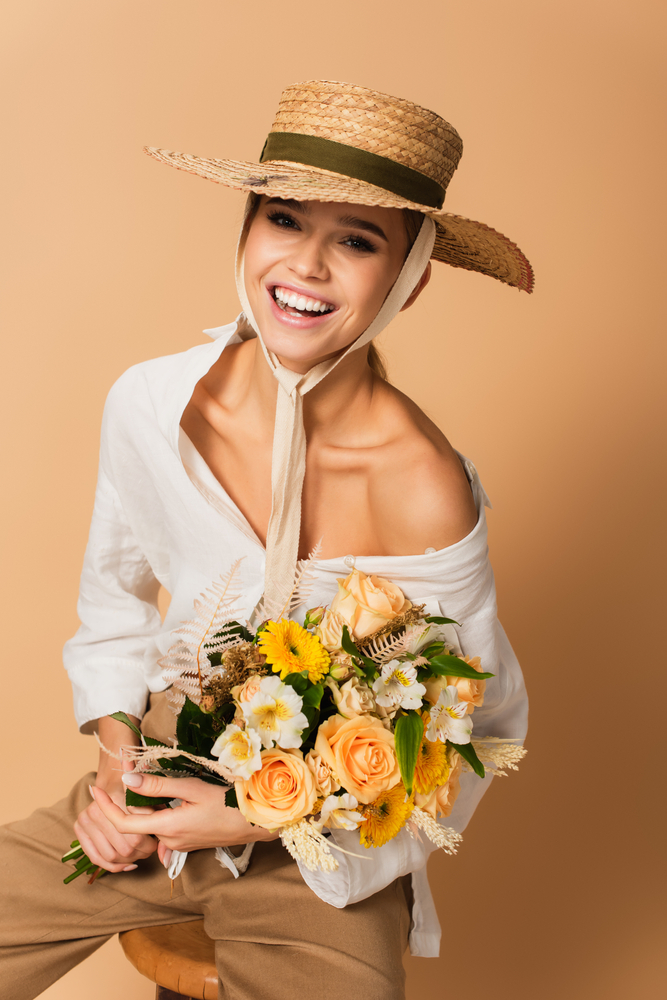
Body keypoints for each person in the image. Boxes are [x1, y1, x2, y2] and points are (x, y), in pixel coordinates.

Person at [1, 80, 531, 1000]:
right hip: (157, 765)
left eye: (357, 241)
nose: (309, 265)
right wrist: (118, 771)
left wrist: (256, 813)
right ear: (246, 232)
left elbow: (475, 727)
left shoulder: (424, 486)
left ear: (411, 277)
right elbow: (114, 602)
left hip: (321, 832)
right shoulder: (151, 404)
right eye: (284, 219)